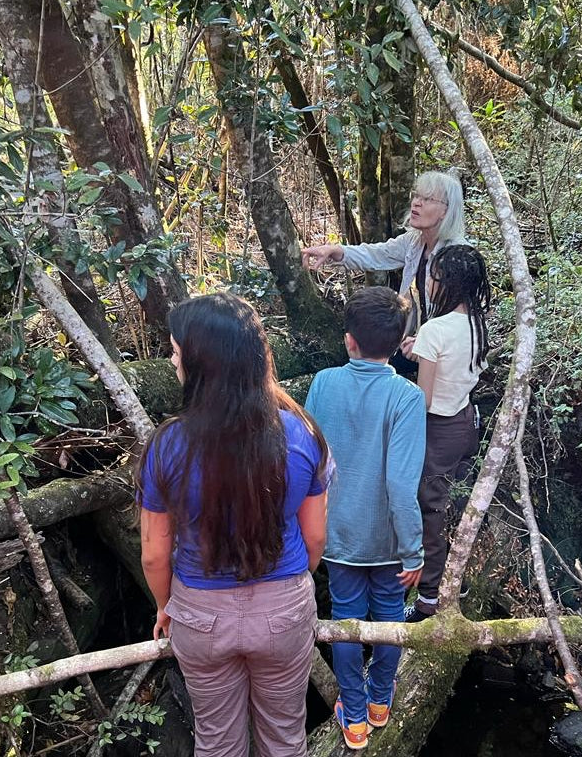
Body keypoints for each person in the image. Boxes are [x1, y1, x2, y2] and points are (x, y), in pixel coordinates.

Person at [136, 293, 330, 757]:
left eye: (176, 351)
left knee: (218, 742)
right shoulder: (301, 433)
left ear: (202, 363)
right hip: (283, 610)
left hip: (200, 615)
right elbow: (315, 537)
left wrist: (166, 606)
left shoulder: (167, 445)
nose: (172, 360)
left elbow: (155, 554)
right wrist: (290, 585)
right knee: (285, 738)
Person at [305, 286, 426, 750]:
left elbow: (309, 460)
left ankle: (354, 717)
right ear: (398, 344)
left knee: (347, 618)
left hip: (335, 532)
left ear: (349, 340)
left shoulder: (323, 383)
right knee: (390, 614)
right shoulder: (407, 397)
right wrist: (413, 549)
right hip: (388, 538)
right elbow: (401, 484)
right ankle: (379, 702)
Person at [301, 170, 469, 370]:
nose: (416, 203)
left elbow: (463, 318)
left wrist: (427, 342)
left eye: (427, 199)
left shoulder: (459, 256)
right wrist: (335, 251)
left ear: (446, 211)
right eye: (416, 196)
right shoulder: (415, 240)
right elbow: (377, 254)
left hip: (446, 352)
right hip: (413, 341)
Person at [403, 245, 490, 623]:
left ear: (446, 283)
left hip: (437, 430)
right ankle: (460, 580)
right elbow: (457, 369)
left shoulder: (435, 329)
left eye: (433, 277)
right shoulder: (477, 323)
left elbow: (423, 400)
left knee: (432, 512)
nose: (428, 283)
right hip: (466, 422)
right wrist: (421, 352)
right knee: (457, 506)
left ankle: (428, 600)